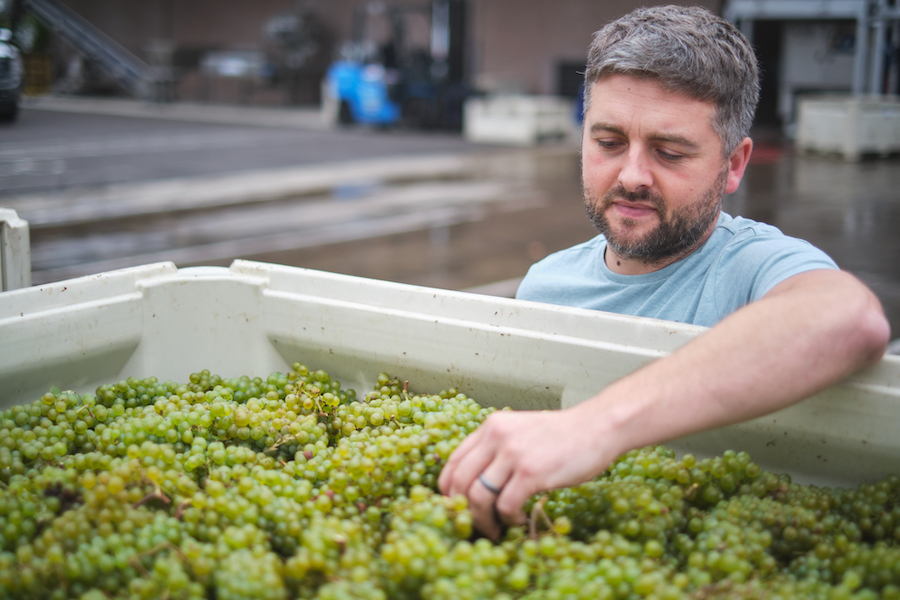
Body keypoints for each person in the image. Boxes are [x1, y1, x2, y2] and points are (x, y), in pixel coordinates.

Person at [438, 4, 891, 540]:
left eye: (670, 152)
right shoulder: (545, 285)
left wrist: (597, 426)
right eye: (608, 143)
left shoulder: (752, 268)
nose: (631, 176)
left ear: (735, 164)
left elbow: (849, 317)